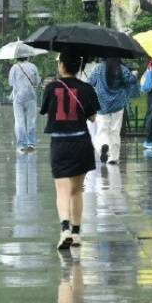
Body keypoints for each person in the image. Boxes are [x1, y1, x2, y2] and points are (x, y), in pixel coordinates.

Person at [40, 49, 99, 250]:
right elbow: (93, 117)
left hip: (60, 144)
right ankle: (76, 233)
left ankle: (65, 229)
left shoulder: (51, 87)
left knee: (62, 190)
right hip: (81, 142)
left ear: (62, 65)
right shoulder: (87, 88)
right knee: (76, 191)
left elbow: (45, 111)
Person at [87, 58, 138, 164]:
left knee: (102, 130)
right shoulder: (122, 69)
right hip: (118, 104)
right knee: (115, 131)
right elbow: (132, 80)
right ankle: (113, 157)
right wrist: (134, 74)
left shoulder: (98, 68)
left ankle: (103, 146)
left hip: (102, 105)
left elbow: (89, 82)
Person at [8, 57, 41, 153]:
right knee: (31, 120)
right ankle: (31, 143)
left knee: (19, 121)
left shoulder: (14, 68)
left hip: (18, 97)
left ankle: (21, 144)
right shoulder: (33, 66)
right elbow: (36, 82)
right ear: (28, 56)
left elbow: (10, 83)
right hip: (31, 97)